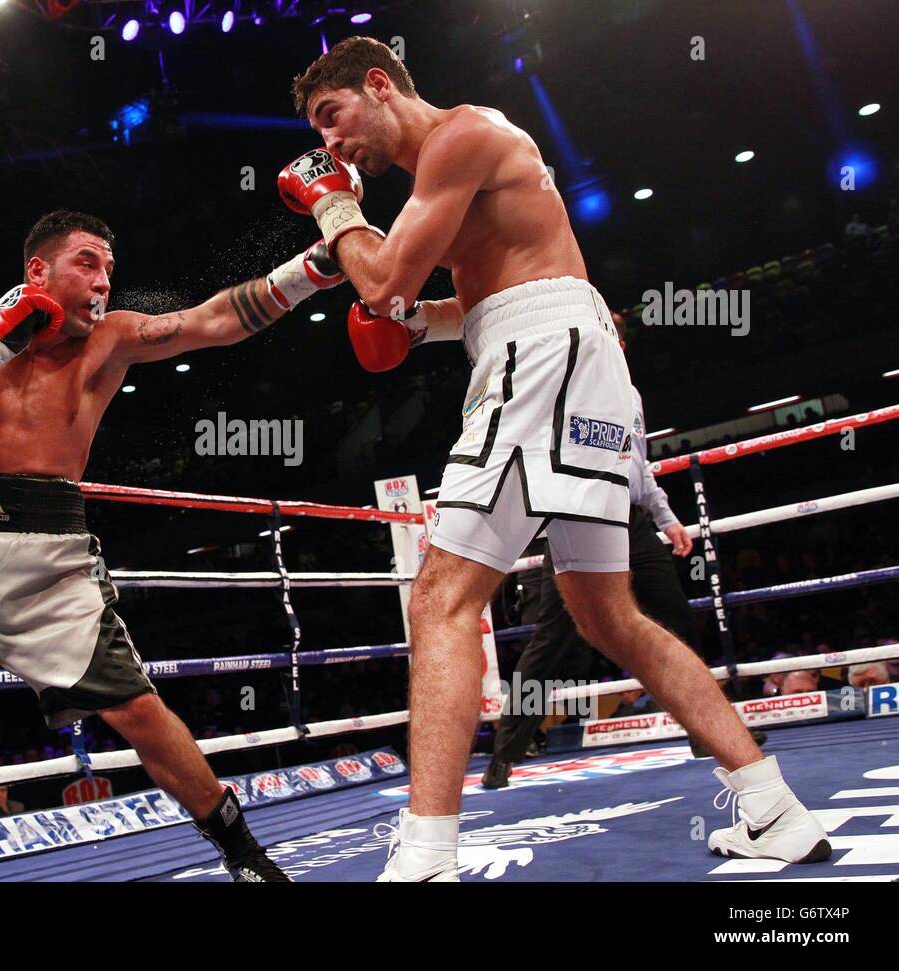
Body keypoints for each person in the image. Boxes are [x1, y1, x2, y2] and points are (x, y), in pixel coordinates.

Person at [281, 36, 829, 879]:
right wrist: (404, 321)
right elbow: (461, 304)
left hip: (541, 357)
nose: (333, 147)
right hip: (565, 352)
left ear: (381, 86)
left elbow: (384, 277)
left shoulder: (462, 134)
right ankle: (775, 807)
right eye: (320, 137)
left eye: (333, 117)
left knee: (440, 601)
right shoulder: (455, 176)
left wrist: (334, 210)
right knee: (608, 612)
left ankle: (425, 853)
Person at [0, 210, 345, 882]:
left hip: (52, 555)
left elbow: (215, 319)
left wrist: (312, 270)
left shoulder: (111, 339)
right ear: (38, 270)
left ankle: (246, 857)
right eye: (87, 261)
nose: (104, 279)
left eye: (109, 265)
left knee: (140, 711)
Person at [481, 313, 766, 787]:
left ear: (620, 345)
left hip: (631, 520)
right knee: (553, 641)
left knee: (675, 621)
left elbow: (640, 465)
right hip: (578, 515)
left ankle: (709, 733)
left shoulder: (629, 395)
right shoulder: (560, 386)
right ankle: (505, 754)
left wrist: (669, 519)